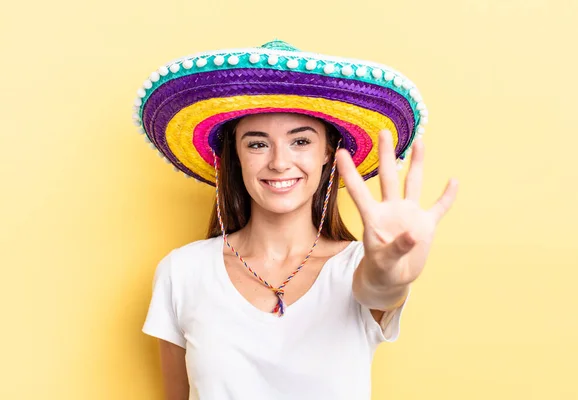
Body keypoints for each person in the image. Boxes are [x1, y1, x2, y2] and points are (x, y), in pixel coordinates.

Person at [133, 40, 458, 400]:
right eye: (257, 144)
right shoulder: (182, 271)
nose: (279, 162)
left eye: (300, 141)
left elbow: (377, 288)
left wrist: (389, 273)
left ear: (328, 153)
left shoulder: (356, 266)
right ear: (235, 155)